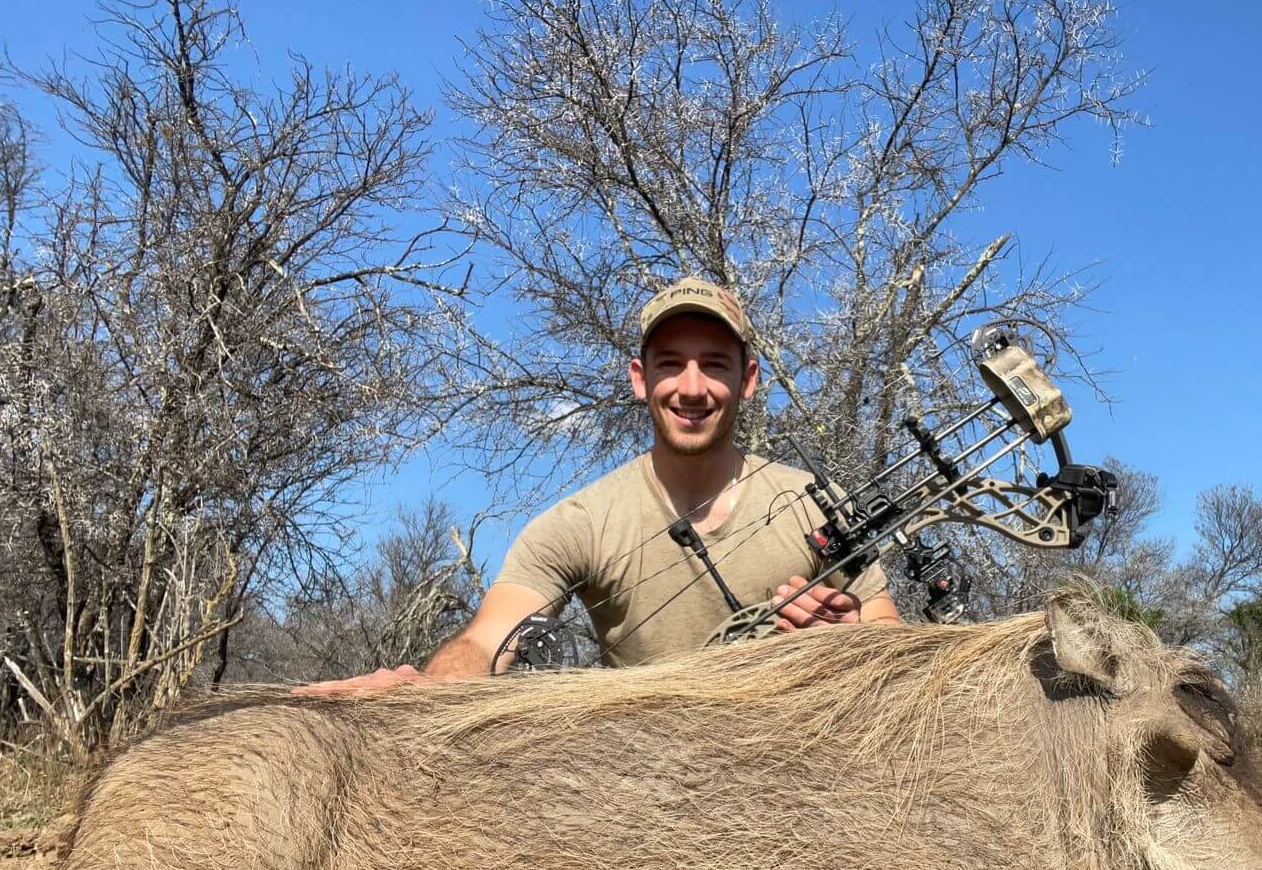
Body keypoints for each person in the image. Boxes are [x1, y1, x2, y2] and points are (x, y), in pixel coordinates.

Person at [302, 276, 898, 693]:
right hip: (648, 786)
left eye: (715, 365)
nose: (692, 388)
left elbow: (886, 630)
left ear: (747, 380)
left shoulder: (814, 503)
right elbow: (488, 641)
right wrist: (425, 691)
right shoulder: (583, 522)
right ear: (641, 379)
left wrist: (852, 643)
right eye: (671, 363)